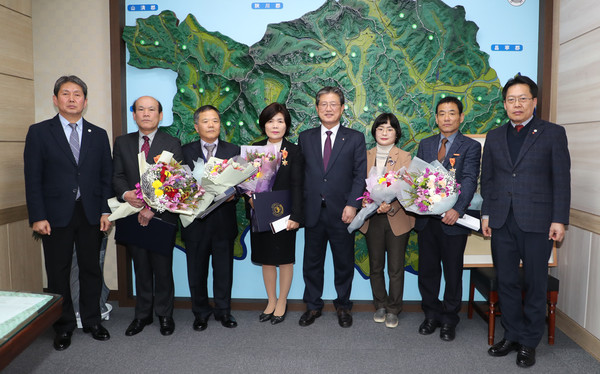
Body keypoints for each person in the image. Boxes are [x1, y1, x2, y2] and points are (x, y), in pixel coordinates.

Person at [481, 75, 570, 368]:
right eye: (510, 99)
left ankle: (530, 341)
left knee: (534, 283)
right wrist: (486, 214)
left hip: (538, 222)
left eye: (522, 99)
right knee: (506, 282)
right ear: (504, 104)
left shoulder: (552, 133)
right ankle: (512, 334)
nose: (516, 104)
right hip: (502, 221)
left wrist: (559, 219)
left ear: (534, 101)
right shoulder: (494, 136)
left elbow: (561, 180)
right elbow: (489, 179)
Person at [24, 75, 113, 351]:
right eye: (66, 94)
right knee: (58, 272)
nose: (72, 98)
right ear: (55, 99)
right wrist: (38, 216)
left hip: (89, 213)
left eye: (77, 94)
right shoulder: (39, 132)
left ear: (85, 102)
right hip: (54, 216)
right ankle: (63, 327)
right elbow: (33, 177)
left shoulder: (98, 135)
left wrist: (105, 211)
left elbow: (105, 178)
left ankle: (92, 321)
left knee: (91, 269)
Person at [112, 96, 183, 337]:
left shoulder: (172, 142)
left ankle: (165, 315)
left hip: (161, 216)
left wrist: (151, 207)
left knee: (163, 268)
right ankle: (142, 315)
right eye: (140, 109)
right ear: (134, 115)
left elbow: (174, 181)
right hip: (132, 214)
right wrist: (126, 194)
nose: (146, 113)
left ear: (160, 115)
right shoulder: (122, 142)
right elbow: (117, 175)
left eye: (151, 109)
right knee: (140, 267)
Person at [297, 86, 367, 328]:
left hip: (343, 212)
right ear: (317, 108)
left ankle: (343, 306)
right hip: (313, 211)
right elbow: (301, 175)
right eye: (324, 104)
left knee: (344, 262)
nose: (328, 109)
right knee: (312, 262)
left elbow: (360, 176)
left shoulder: (355, 138)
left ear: (342, 108)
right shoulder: (305, 138)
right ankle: (312, 306)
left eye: (333, 104)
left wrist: (352, 205)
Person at [414, 96, 481, 341]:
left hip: (454, 221)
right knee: (428, 271)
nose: (447, 118)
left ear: (461, 117)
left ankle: (450, 319)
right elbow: (419, 178)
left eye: (452, 113)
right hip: (427, 221)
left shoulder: (471, 146)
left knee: (452, 272)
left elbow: (470, 180)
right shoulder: (426, 143)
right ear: (436, 118)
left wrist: (458, 210)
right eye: (442, 113)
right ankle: (431, 315)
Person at [181, 105, 241, 330]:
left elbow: (242, 183)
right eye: (206, 121)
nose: (211, 125)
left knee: (224, 270)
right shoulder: (184, 150)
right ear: (197, 126)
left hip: (223, 221)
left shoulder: (232, 149)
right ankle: (201, 313)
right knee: (196, 271)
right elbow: (177, 183)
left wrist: (232, 195)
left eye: (215, 120)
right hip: (195, 222)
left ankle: (224, 312)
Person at [246, 103, 304, 325]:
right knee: (266, 260)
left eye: (280, 121)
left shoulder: (295, 151)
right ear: (263, 125)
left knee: (284, 259)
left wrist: (296, 216)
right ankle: (270, 300)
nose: (275, 125)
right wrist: (249, 198)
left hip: (284, 214)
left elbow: (299, 186)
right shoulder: (254, 149)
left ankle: (282, 301)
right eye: (270, 121)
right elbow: (245, 181)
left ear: (286, 125)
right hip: (259, 212)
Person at [359, 113, 414, 329]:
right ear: (374, 131)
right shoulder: (365, 155)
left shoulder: (405, 156)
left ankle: (393, 308)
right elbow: (359, 184)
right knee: (375, 265)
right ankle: (380, 304)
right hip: (372, 218)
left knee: (395, 267)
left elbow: (408, 188)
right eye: (381, 128)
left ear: (396, 133)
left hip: (397, 218)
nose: (384, 132)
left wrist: (390, 205)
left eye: (389, 129)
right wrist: (365, 201)